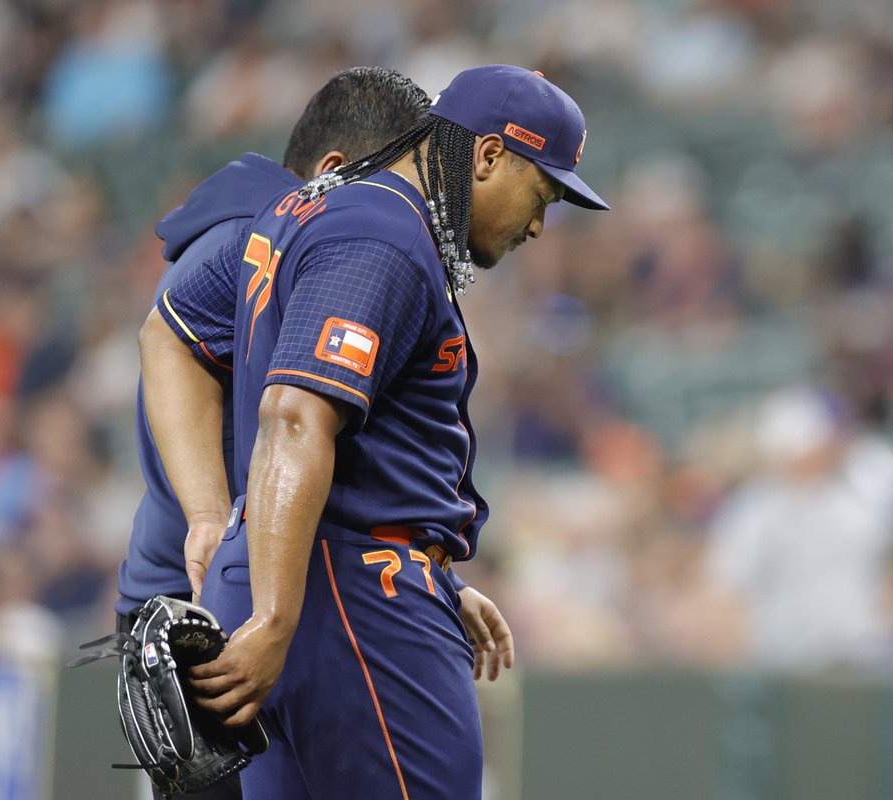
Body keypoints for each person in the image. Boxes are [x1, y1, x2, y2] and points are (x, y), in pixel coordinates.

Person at [160, 65, 608, 799]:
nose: (537, 226)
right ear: (488, 156)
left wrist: (217, 520)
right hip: (351, 599)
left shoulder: (306, 210)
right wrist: (281, 613)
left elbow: (170, 333)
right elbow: (296, 417)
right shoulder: (385, 232)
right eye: (542, 195)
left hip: (288, 571)